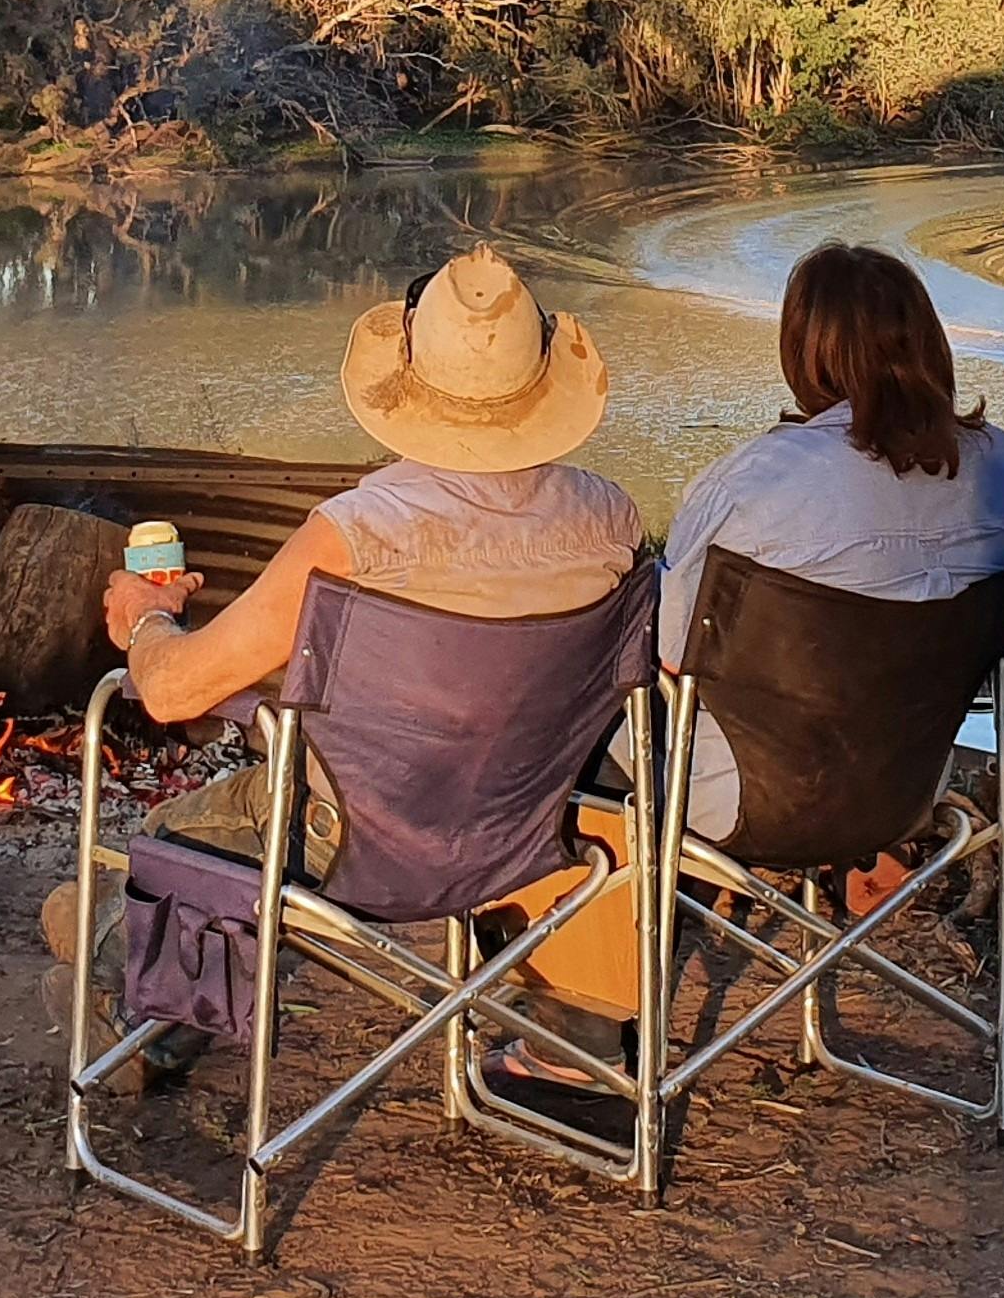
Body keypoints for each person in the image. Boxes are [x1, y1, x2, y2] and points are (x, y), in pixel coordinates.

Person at [43, 246, 643, 1076]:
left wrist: (147, 620)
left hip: (352, 848)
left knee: (166, 849)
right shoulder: (608, 518)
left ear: (404, 377)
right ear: (541, 380)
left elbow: (173, 691)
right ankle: (164, 1013)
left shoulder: (361, 533)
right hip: (525, 830)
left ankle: (129, 978)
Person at [658, 241, 1004, 863]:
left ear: (803, 351)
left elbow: (672, 649)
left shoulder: (757, 481)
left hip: (743, 804)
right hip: (905, 792)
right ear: (929, 342)